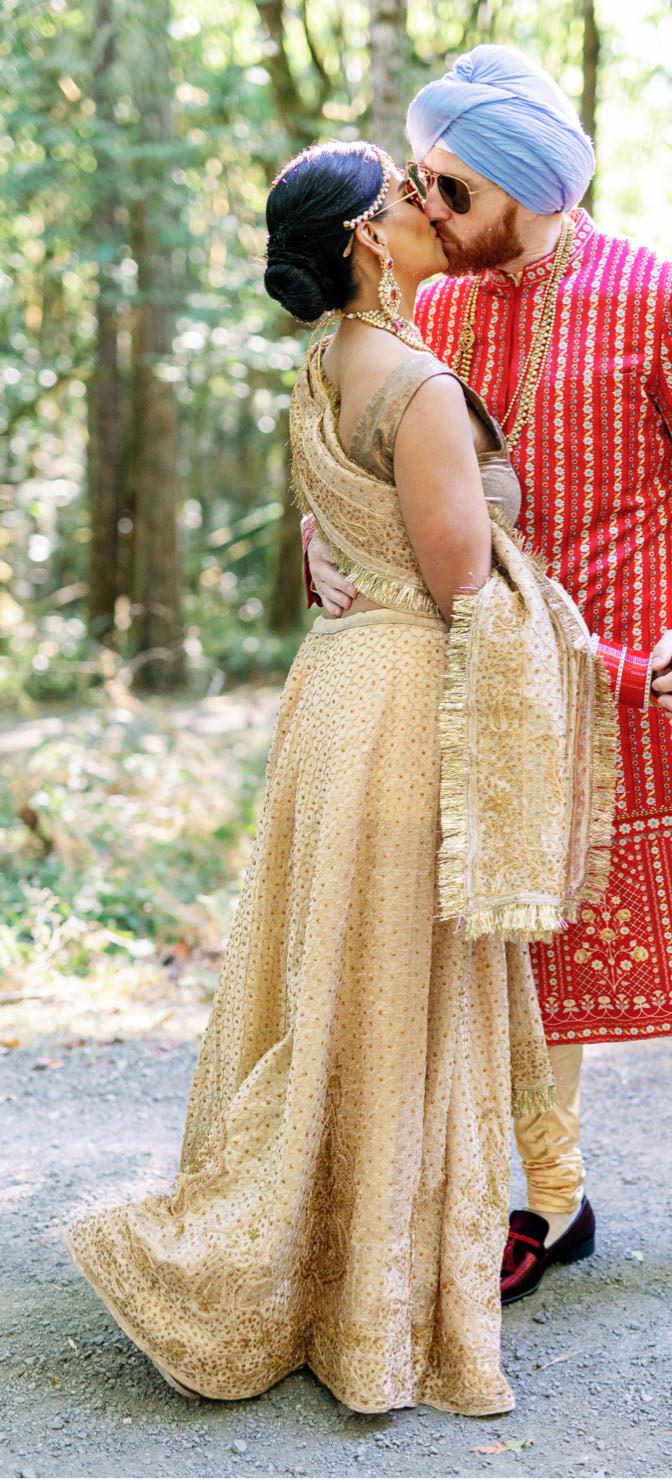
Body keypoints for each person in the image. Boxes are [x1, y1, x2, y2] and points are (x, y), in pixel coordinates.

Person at [302, 47, 672, 1309]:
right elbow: (385, 470)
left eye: (452, 190)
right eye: (421, 186)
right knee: (531, 942)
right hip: (511, 688)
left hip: (661, 677)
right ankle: (551, 1201)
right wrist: (329, 538)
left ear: (527, 185)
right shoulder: (435, 312)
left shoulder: (663, 293)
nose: (430, 212)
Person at [64, 143, 617, 1413]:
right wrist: (584, 643)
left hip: (337, 698)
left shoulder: (324, 370)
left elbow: (351, 537)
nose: (430, 208)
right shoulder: (414, 385)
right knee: (390, 1001)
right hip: (405, 710)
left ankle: (329, 1282)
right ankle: (356, 1311)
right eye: (408, 198)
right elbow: (463, 581)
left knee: (342, 988)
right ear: (368, 240)